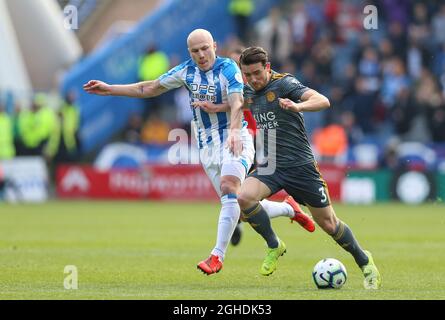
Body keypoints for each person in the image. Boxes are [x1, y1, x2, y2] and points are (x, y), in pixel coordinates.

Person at [84, 29, 314, 276]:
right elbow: (149, 87)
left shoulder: (229, 69)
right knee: (241, 209)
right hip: (206, 148)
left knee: (229, 189)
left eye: (205, 48)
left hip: (236, 139)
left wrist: (236, 131)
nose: (202, 54)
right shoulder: (186, 72)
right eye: (195, 51)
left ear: (214, 46)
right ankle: (289, 208)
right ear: (189, 53)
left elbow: (237, 101)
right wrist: (110, 89)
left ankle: (217, 256)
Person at [237, 46, 381, 289]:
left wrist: (298, 107)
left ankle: (365, 261)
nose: (252, 79)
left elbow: (323, 100)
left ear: (268, 68)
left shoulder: (284, 84)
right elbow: (237, 104)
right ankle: (274, 245)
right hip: (271, 165)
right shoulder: (248, 90)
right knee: (243, 198)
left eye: (256, 73)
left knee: (329, 224)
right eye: (247, 75)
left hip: (301, 167)